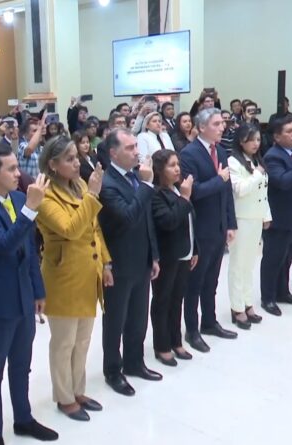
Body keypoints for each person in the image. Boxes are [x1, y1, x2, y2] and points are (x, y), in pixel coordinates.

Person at [0, 144, 58, 445]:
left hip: (23, 296)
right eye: (12, 169)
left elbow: (29, 249)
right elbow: (4, 244)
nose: (19, 174)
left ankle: (23, 418)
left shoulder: (17, 198)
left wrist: (38, 289)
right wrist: (30, 210)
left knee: (21, 364)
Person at [35, 136, 109, 421]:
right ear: (53, 164)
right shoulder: (44, 195)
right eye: (69, 159)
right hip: (63, 276)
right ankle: (64, 398)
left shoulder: (80, 186)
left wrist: (106, 262)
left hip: (88, 272)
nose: (77, 163)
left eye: (77, 157)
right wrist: (92, 196)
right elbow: (70, 229)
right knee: (64, 342)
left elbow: (94, 229)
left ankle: (78, 390)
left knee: (83, 340)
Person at [98, 129, 161, 397]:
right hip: (118, 263)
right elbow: (127, 216)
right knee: (116, 320)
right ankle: (113, 370)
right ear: (113, 153)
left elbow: (147, 220)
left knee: (138, 316)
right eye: (130, 148)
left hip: (141, 258)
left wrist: (153, 254)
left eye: (136, 146)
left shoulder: (135, 176)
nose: (137, 152)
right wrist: (146, 186)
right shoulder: (107, 184)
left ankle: (135, 361)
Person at [179, 109, 238, 353]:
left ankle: (210, 321)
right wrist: (219, 179)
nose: (222, 127)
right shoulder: (188, 154)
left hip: (218, 226)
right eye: (216, 124)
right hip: (200, 227)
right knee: (195, 282)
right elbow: (193, 192)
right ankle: (192, 330)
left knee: (212, 280)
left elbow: (227, 190)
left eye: (222, 123)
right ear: (201, 127)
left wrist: (230, 222)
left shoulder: (220, 151)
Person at [150, 149, 196, 366]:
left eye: (178, 164)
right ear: (159, 170)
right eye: (171, 165)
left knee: (177, 299)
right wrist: (185, 197)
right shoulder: (156, 194)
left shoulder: (177, 189)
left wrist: (195, 249)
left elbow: (190, 221)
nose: (177, 169)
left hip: (185, 252)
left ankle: (176, 340)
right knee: (163, 300)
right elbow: (168, 221)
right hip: (167, 256)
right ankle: (162, 345)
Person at [260, 115, 292, 317]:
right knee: (273, 259)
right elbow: (282, 181)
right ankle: (268, 298)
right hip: (279, 218)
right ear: (276, 136)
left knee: (286, 258)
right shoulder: (273, 156)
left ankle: (282, 292)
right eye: (288, 132)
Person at [227, 124, 270, 328]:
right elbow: (240, 190)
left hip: (256, 217)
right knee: (238, 265)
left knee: (249, 264)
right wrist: (257, 174)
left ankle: (247, 302)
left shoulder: (257, 161)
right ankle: (237, 307)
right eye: (251, 139)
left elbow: (263, 191)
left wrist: (266, 215)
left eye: (258, 139)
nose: (255, 143)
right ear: (241, 140)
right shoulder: (233, 161)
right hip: (241, 218)